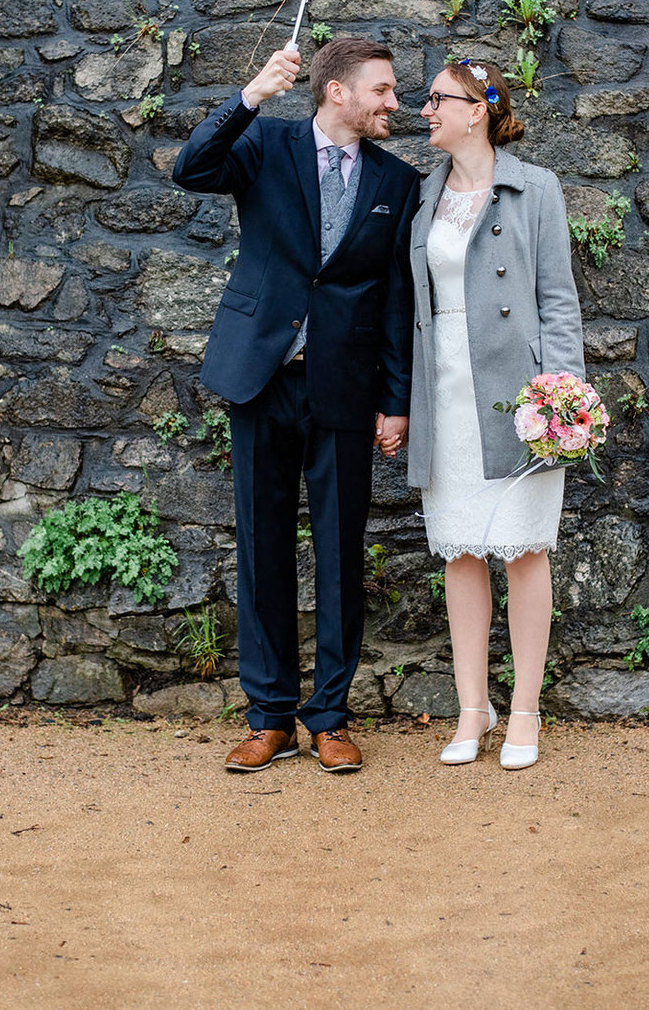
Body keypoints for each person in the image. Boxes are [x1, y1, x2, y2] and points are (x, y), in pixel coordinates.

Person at [173, 38, 419, 774]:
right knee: (262, 547)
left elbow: (396, 301)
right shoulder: (266, 142)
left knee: (342, 555)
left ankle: (331, 718)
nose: (394, 103)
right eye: (381, 90)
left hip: (344, 387)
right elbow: (192, 169)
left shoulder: (396, 182)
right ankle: (269, 715)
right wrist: (250, 94)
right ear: (336, 92)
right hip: (261, 376)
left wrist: (397, 400)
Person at [400, 58, 584, 770]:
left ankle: (527, 713)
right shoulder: (422, 193)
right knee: (462, 548)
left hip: (518, 394)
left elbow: (559, 300)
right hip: (442, 385)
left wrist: (562, 397)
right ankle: (471, 709)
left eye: (438, 99)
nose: (424, 110)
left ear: (476, 109)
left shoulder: (535, 188)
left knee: (524, 547)